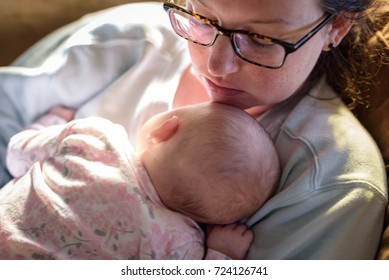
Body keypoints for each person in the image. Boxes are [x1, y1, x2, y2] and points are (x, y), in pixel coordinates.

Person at [0, 0, 387, 259]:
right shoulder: (130, 38)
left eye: (261, 39)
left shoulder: (335, 186)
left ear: (337, 25)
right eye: (201, 18)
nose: (216, 66)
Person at [0, 102, 280, 260]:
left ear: (164, 128)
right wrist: (221, 252)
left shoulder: (94, 137)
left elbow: (16, 155)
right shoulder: (181, 245)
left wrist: (47, 122)